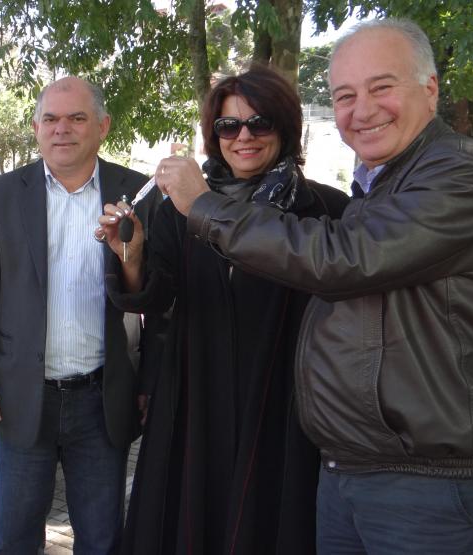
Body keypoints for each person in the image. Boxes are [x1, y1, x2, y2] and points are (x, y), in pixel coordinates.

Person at [156, 18, 473, 554]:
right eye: (344, 94)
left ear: (430, 89)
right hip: (351, 467)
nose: (362, 109)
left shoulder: (461, 173)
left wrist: (203, 206)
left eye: (382, 86)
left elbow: (340, 261)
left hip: (429, 481)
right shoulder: (380, 185)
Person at [98, 65, 348, 554]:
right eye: (228, 126)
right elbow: (156, 297)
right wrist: (131, 256)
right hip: (194, 392)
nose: (244, 137)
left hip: (283, 397)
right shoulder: (176, 206)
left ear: (286, 128)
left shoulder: (326, 208)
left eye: (260, 123)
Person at [0, 76, 159, 554]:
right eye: (50, 119)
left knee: (104, 538)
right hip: (22, 397)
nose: (61, 129)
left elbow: (157, 301)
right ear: (36, 128)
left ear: (102, 126)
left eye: (76, 118)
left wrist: (150, 381)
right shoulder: (1, 196)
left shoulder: (137, 193)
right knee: (16, 537)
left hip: (102, 398)